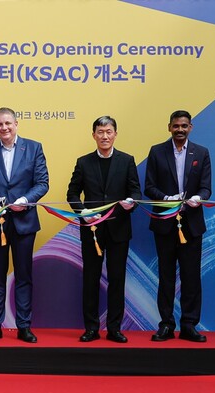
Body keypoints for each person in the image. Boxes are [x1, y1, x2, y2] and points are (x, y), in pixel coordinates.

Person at [0, 107, 50, 343]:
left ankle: (24, 326)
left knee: (23, 275)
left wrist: (25, 200)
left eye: (8, 123)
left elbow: (42, 182)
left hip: (25, 222)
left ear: (16, 124)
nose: (4, 128)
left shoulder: (34, 148)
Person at [66, 116, 140, 343]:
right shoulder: (83, 162)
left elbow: (135, 192)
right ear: (94, 135)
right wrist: (84, 212)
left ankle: (114, 328)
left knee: (117, 279)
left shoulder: (127, 161)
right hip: (92, 230)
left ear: (115, 134)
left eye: (109, 132)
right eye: (100, 132)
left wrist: (132, 202)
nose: (105, 136)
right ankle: (91, 328)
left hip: (119, 229)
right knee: (91, 279)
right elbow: (72, 194)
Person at [143, 110, 211, 342]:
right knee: (166, 276)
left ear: (190, 127)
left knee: (191, 277)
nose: (180, 129)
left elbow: (206, 188)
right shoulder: (157, 151)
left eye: (184, 126)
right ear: (169, 127)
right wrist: (166, 198)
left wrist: (199, 198)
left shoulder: (201, 153)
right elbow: (149, 187)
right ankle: (166, 325)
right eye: (176, 126)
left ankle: (189, 325)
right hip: (165, 223)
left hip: (192, 224)